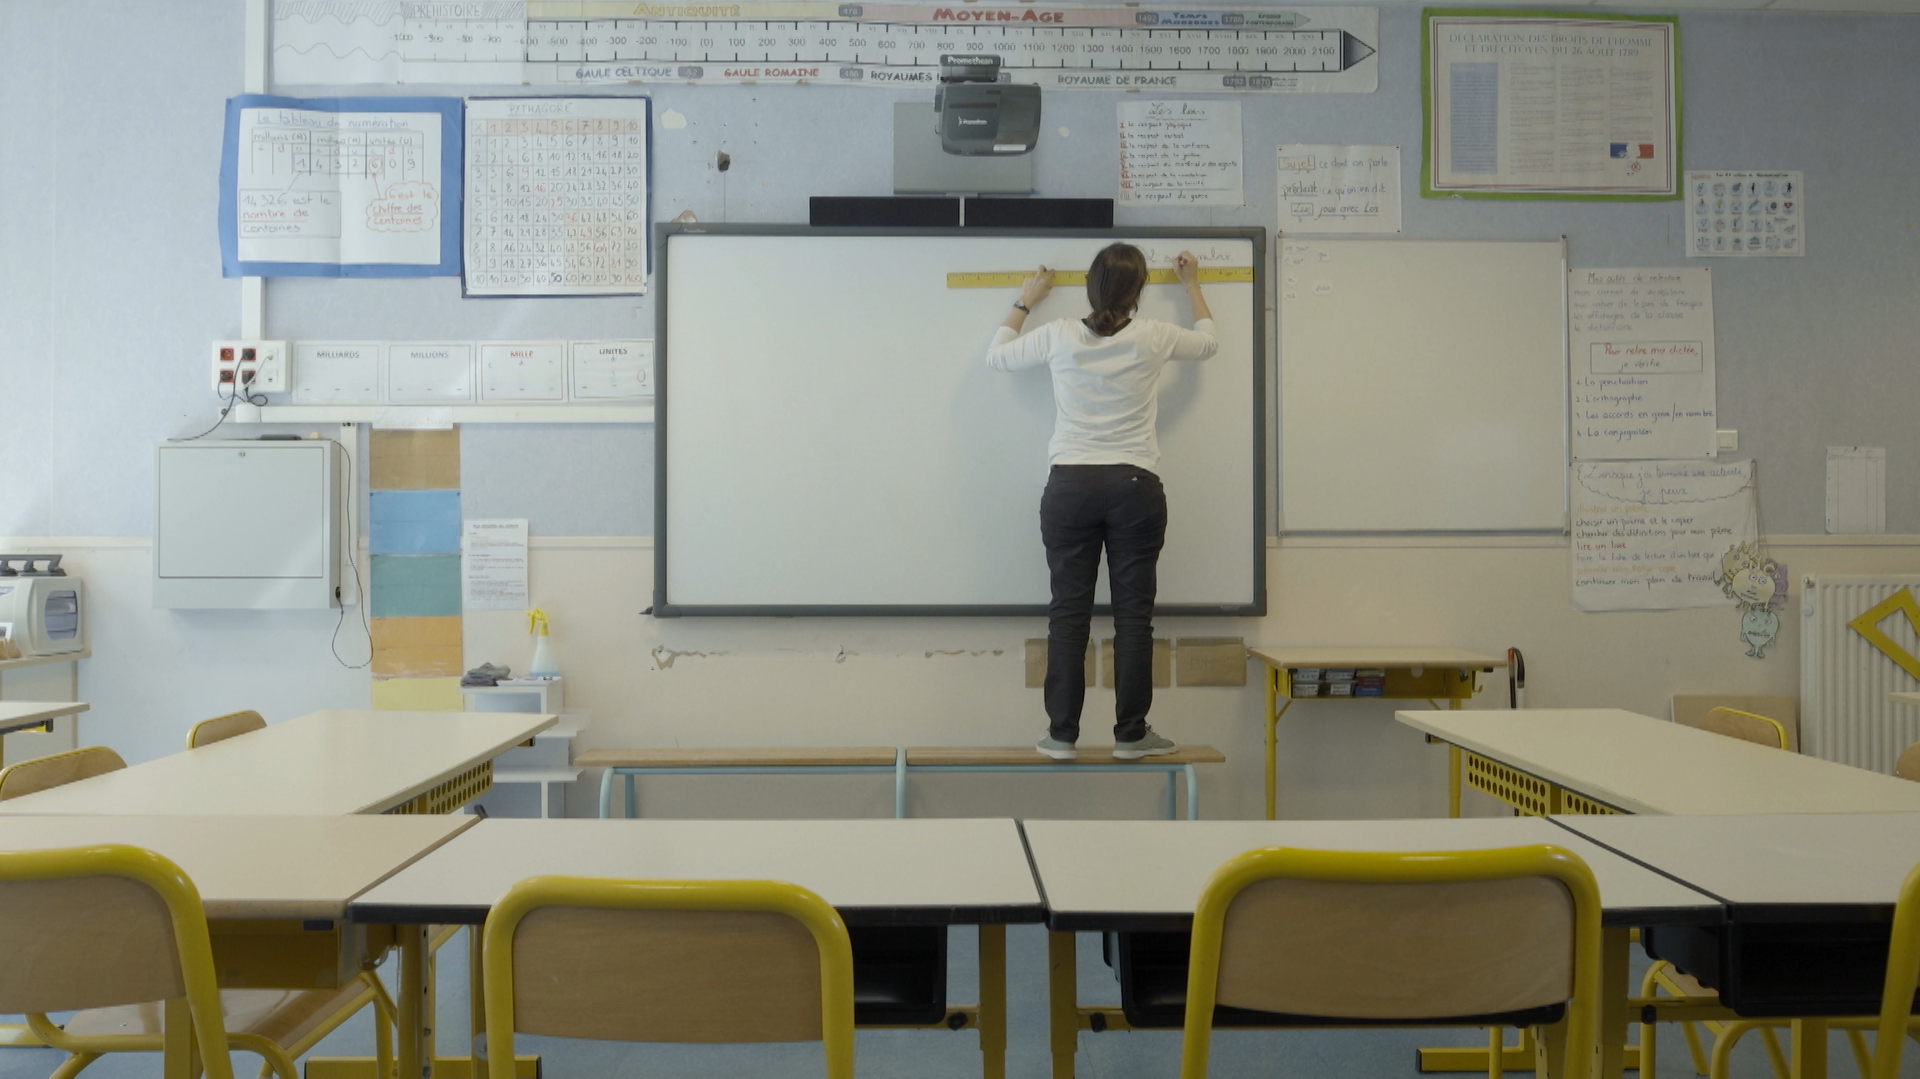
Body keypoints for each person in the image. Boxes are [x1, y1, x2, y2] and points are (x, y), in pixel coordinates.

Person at [985, 243, 1216, 760]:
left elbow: (997, 355)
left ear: (1090, 287)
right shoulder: (1153, 334)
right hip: (1135, 486)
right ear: (1139, 292)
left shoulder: (1060, 333)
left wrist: (1025, 300)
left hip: (1070, 486)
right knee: (1133, 618)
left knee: (1068, 615)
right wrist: (1191, 285)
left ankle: (1061, 734)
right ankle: (1131, 735)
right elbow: (1208, 344)